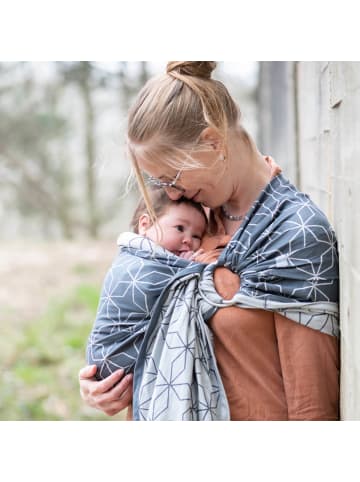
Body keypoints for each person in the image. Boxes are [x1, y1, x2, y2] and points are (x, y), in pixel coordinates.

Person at [79, 61, 339, 420]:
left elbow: (312, 403)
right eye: (161, 184)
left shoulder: (292, 233)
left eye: (172, 177)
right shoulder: (191, 222)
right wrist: (102, 379)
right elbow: (138, 325)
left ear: (213, 142)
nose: (170, 193)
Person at [86, 187, 210, 380]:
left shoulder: (161, 258)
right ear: (145, 224)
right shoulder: (138, 263)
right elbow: (159, 287)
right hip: (113, 354)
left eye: (197, 236)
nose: (188, 240)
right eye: (180, 228)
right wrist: (189, 267)